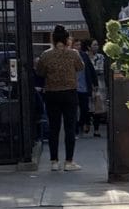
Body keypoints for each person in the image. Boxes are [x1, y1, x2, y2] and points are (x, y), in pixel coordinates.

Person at [33, 25, 86, 172]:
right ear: (66, 39)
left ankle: (54, 161)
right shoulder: (73, 54)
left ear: (53, 39)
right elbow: (81, 67)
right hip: (70, 92)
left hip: (52, 93)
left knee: (53, 128)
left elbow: (40, 72)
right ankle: (69, 161)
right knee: (70, 127)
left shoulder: (46, 55)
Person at [76, 38, 97, 136]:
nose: (78, 47)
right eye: (76, 45)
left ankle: (81, 123)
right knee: (74, 109)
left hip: (84, 86)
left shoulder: (84, 56)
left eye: (79, 45)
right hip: (73, 87)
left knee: (85, 108)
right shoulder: (70, 56)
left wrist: (95, 83)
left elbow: (91, 69)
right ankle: (76, 128)